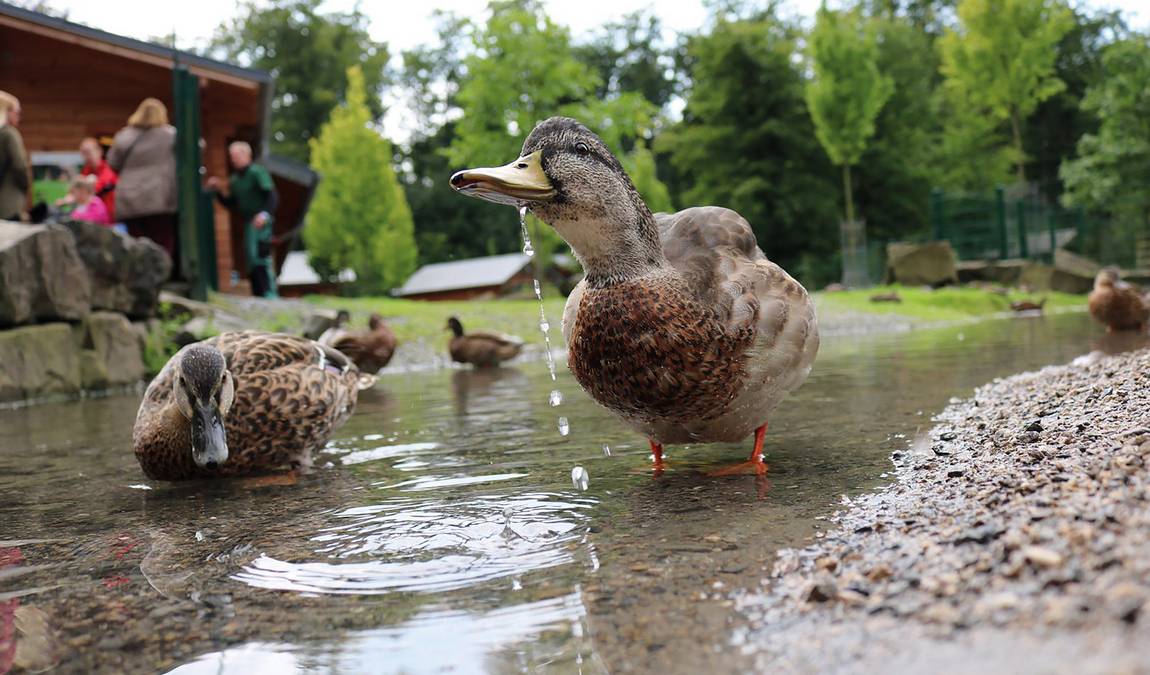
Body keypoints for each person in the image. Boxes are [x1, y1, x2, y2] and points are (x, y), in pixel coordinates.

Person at [207, 141, 279, 298]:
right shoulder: (235, 180)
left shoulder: (257, 172)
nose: (234, 159)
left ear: (247, 155)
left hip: (261, 221)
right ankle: (258, 294)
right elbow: (232, 203)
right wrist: (218, 191)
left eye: (237, 155)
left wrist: (264, 214)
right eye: (232, 156)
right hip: (249, 222)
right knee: (251, 258)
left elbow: (271, 196)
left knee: (261, 256)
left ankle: (269, 292)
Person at [108, 98, 177, 258]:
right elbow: (197, 147)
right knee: (161, 241)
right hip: (160, 196)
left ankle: (141, 271)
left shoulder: (124, 136)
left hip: (130, 198)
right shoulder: (170, 135)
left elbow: (113, 163)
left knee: (136, 244)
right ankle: (161, 270)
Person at [0, 90, 30, 222]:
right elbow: (20, 165)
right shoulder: (10, 134)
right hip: (9, 202)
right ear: (5, 111)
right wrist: (26, 184)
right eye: (16, 113)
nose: (19, 117)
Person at [79, 137, 117, 221]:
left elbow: (94, 189)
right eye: (83, 153)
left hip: (111, 218)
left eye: (88, 152)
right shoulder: (86, 170)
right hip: (94, 217)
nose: (86, 156)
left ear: (99, 151)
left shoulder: (108, 169)